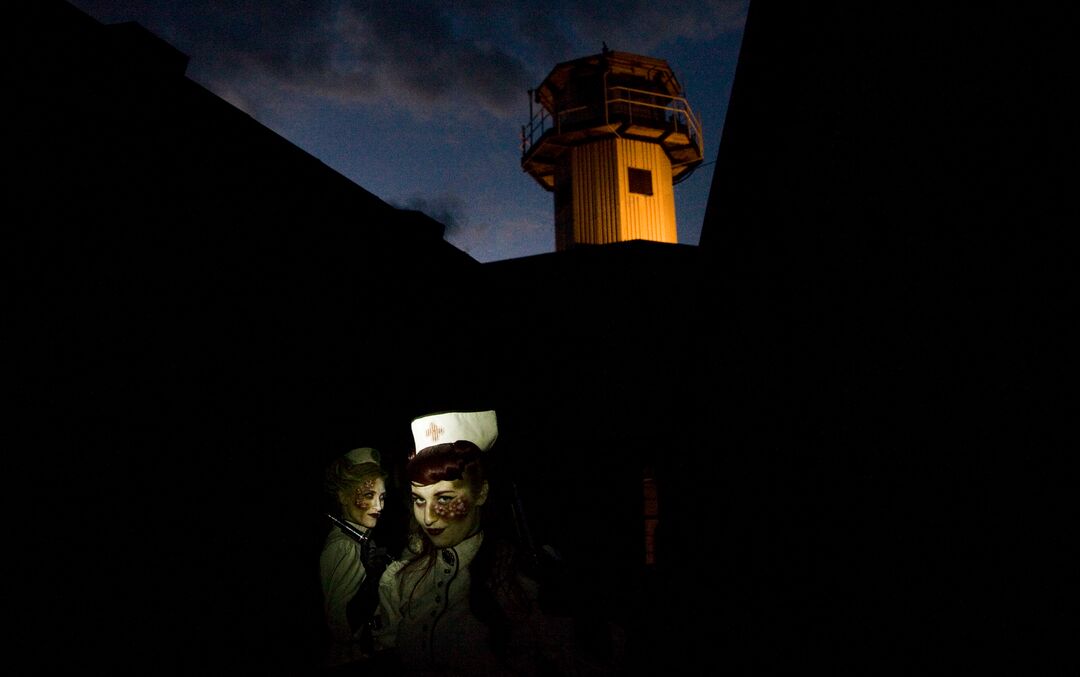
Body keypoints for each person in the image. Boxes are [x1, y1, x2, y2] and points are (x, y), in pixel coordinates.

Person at [370, 409, 617, 676]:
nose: (427, 517)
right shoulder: (401, 580)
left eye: (444, 498)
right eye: (420, 499)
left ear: (481, 493)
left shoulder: (525, 578)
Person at [319, 446, 394, 672]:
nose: (379, 506)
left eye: (382, 497)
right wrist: (374, 578)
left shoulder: (360, 538)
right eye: (368, 495)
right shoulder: (343, 546)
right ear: (342, 496)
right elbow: (341, 628)